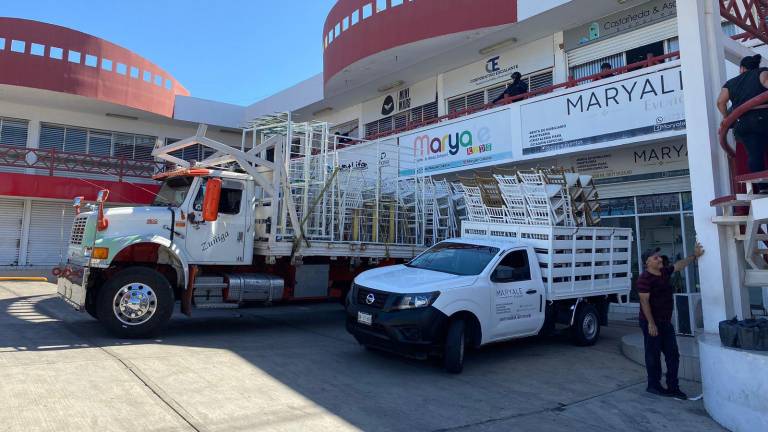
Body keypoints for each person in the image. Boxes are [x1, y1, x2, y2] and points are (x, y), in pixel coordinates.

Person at [637, 243, 704, 400]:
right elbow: (644, 302)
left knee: (673, 354)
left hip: (665, 322)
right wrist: (651, 324)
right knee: (653, 355)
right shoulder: (644, 279)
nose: (660, 259)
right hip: (651, 322)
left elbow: (678, 266)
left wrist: (694, 256)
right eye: (656, 257)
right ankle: (653, 385)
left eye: (659, 256)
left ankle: (673, 387)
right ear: (647, 262)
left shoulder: (663, 272)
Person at [717, 54, 768, 189]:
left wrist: (726, 117)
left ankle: (762, 188)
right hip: (764, 116)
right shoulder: (763, 73)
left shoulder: (731, 83)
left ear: (742, 69)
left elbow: (720, 102)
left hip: (743, 122)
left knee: (754, 154)